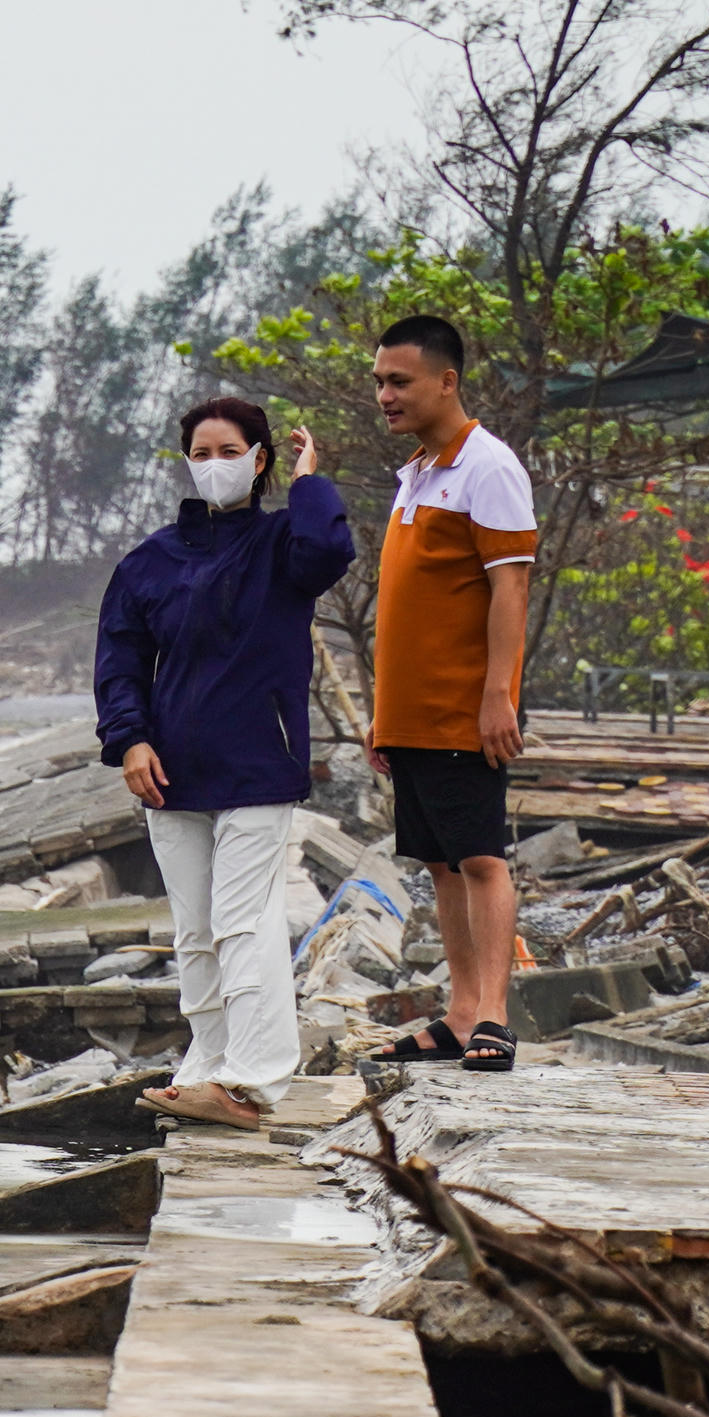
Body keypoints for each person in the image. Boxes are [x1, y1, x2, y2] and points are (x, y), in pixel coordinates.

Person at [92, 395, 355, 1130]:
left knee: (244, 920)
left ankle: (254, 1079)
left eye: (227, 452)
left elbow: (330, 552)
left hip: (257, 764)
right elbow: (119, 659)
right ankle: (208, 1063)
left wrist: (310, 485)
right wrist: (129, 739)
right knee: (195, 928)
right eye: (199, 454)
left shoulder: (282, 546)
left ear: (260, 458)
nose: (213, 466)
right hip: (169, 769)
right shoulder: (149, 562)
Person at [359, 312, 535, 1073]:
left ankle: (494, 1014)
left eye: (399, 381)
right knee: (437, 862)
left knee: (480, 859)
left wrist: (498, 694)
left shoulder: (487, 467)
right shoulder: (416, 474)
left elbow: (510, 589)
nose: (385, 396)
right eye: (379, 383)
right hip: (410, 713)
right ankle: (460, 1013)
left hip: (465, 708)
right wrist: (381, 714)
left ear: (446, 380)